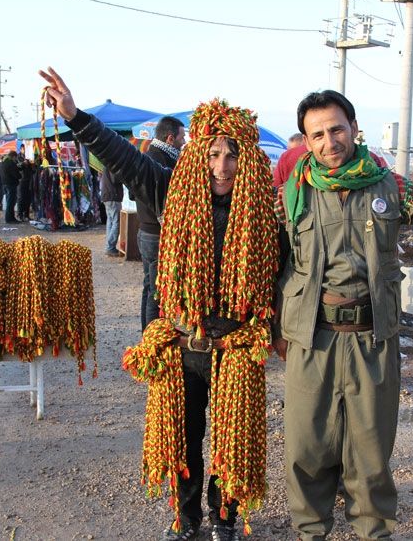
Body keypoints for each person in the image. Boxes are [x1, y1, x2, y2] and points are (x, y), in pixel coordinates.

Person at [40, 67, 278, 541]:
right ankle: (188, 519)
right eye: (213, 153)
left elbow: (285, 278)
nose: (222, 165)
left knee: (232, 440)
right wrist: (76, 117)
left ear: (247, 158)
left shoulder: (266, 213)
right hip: (182, 341)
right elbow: (125, 159)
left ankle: (224, 520)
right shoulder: (172, 191)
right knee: (184, 437)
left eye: (232, 154)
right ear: (199, 155)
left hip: (235, 344)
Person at [273, 89, 413, 541]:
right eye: (318, 134)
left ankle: (373, 533)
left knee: (370, 456)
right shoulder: (291, 196)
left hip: (374, 339)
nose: (329, 141)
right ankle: (310, 533)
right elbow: (270, 261)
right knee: (307, 452)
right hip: (313, 340)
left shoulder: (388, 185)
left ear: (353, 128)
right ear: (307, 142)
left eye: (336, 129)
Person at [139, 115, 185, 329]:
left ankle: (148, 334)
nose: (184, 142)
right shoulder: (159, 160)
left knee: (150, 285)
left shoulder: (150, 155)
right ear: (170, 138)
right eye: (182, 137)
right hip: (156, 233)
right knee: (156, 290)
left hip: (148, 231)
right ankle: (152, 339)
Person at [99, 167, 124, 257]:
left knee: (110, 221)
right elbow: (115, 179)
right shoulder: (113, 165)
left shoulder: (107, 164)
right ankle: (110, 247)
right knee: (116, 222)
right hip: (112, 195)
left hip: (107, 195)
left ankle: (109, 246)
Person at [0, 151, 21, 223]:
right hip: (11, 184)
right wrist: (19, 175)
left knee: (9, 201)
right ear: (13, 156)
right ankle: (9, 219)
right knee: (11, 202)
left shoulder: (3, 162)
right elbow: (16, 175)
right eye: (15, 157)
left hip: (4, 184)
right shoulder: (11, 163)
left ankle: (10, 218)